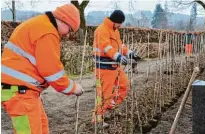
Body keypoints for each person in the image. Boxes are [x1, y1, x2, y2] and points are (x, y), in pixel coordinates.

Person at [1, 4, 83, 134]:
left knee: (42, 128)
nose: (68, 35)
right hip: (20, 93)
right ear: (63, 20)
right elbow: (52, 72)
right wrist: (74, 88)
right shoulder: (47, 32)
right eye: (70, 30)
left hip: (22, 91)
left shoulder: (40, 24)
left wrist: (35, 90)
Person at [92, 10, 141, 128]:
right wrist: (118, 56)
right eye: (120, 23)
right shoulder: (101, 30)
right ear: (114, 21)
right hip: (104, 67)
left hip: (114, 66)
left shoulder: (115, 31)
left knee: (124, 86)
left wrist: (130, 53)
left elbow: (120, 45)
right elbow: (106, 46)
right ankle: (97, 120)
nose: (121, 25)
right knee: (103, 95)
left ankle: (109, 105)